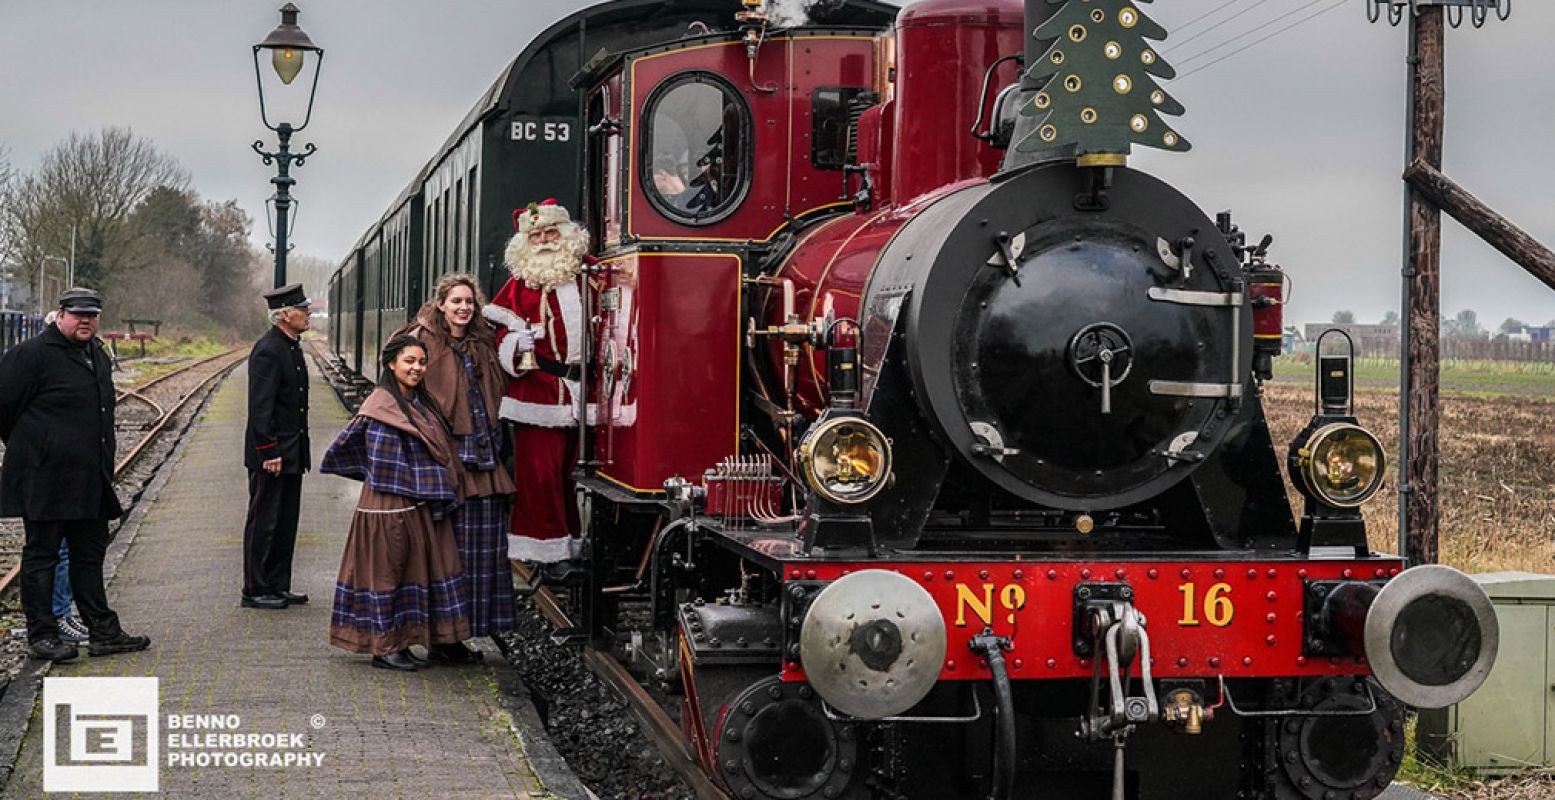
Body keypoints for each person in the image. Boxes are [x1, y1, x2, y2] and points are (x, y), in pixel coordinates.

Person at [0, 287, 151, 661]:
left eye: (92, 315)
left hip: (89, 478)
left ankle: (103, 631)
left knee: (89, 556)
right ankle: (42, 635)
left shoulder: (96, 355)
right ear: (61, 315)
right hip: (45, 478)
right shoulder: (30, 356)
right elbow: (4, 410)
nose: (86, 321)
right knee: (42, 555)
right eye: (78, 315)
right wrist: (41, 446)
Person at [322, 333, 471, 671]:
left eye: (421, 362)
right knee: (388, 576)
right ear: (391, 364)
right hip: (389, 510)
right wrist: (431, 486)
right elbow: (387, 467)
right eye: (409, 361)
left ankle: (410, 642)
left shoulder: (416, 401)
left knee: (412, 574)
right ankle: (385, 648)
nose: (417, 368)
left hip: (410, 506)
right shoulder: (383, 406)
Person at [396, 274, 515, 662]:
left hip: (483, 458)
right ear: (441, 304)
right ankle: (439, 638)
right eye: (456, 301)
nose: (463, 307)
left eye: (469, 302)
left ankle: (459, 636)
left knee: (480, 552)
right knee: (446, 550)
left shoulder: (481, 340)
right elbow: (402, 385)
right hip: (446, 458)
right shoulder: (422, 338)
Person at [482, 200, 594, 567]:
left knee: (576, 474)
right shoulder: (519, 287)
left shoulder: (590, 275)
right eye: (536, 235)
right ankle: (546, 550)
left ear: (565, 235)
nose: (545, 241)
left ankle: (576, 544)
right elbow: (499, 337)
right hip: (539, 391)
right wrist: (518, 344)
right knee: (540, 476)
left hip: (589, 391)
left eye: (550, 232)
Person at [242, 283, 313, 610]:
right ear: (284, 314)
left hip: (292, 452)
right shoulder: (269, 349)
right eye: (303, 308)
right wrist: (268, 451)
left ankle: (277, 584)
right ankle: (255, 589)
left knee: (285, 522)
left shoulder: (290, 346)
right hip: (273, 454)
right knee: (264, 522)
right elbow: (261, 408)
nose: (308, 313)